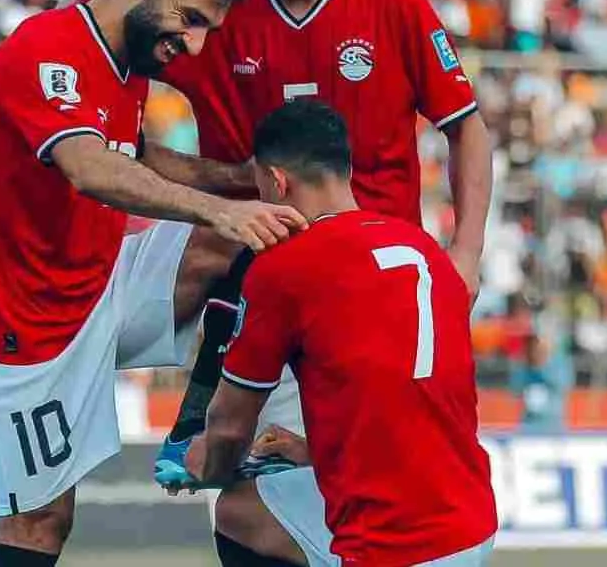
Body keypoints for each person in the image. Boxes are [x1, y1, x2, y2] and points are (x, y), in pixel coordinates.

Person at [86, 0, 494, 564]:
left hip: (375, 305)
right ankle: (125, 381)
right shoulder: (219, 11)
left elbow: (468, 128)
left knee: (317, 501)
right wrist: (107, 4)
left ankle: (197, 416)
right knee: (245, 511)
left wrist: (466, 253)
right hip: (264, 288)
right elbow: (107, 94)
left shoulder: (393, 4)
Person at [0, 0, 307, 567]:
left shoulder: (128, 57)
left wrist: (237, 182)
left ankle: (199, 424)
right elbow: (90, 166)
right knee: (39, 526)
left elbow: (133, 152)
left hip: (103, 282)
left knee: (241, 241)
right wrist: (214, 207)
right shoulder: (49, 50)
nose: (195, 45)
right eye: (191, 19)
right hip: (28, 328)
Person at [186, 101, 499, 566]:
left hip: (392, 546)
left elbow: (230, 426)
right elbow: (410, 399)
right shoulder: (424, 248)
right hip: (471, 526)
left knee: (234, 508)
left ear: (276, 181)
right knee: (249, 510)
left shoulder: (284, 268)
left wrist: (204, 464)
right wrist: (317, 453)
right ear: (347, 170)